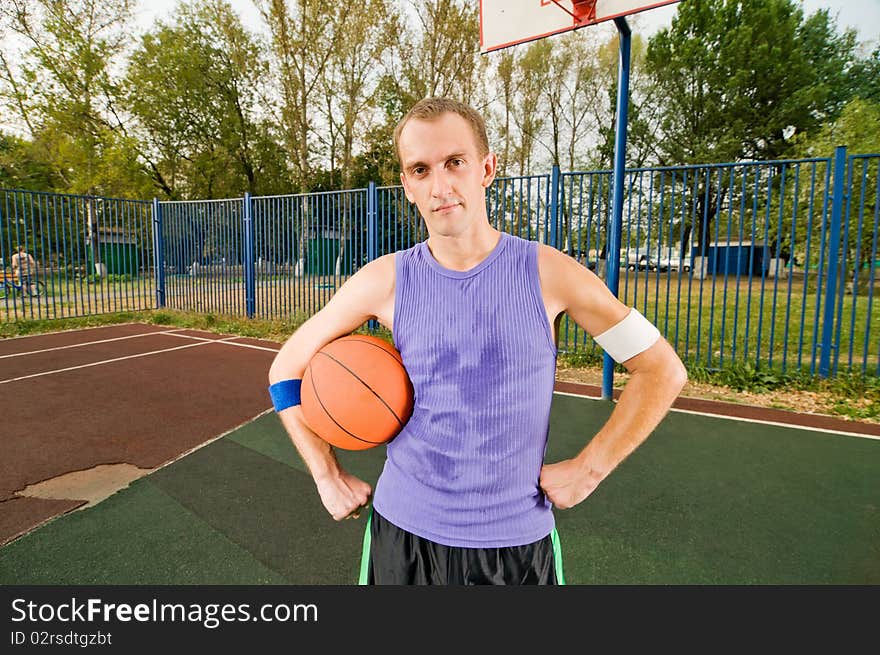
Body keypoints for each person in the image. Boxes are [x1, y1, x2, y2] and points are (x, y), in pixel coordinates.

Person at [268, 97, 687, 585]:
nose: (440, 186)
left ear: (486, 168)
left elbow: (661, 369)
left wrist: (590, 468)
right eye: (420, 170)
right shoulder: (384, 281)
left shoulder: (550, 273)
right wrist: (327, 474)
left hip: (516, 547)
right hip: (404, 538)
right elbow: (286, 369)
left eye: (455, 163)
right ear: (406, 185)